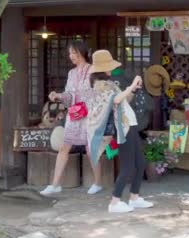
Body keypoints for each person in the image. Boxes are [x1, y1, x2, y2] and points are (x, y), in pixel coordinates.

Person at [85, 50, 154, 213]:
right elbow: (115, 100)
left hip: (129, 124)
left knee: (140, 163)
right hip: (123, 128)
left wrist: (133, 90)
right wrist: (130, 86)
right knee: (128, 166)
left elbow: (122, 100)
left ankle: (134, 198)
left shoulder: (110, 84)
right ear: (103, 69)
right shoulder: (101, 86)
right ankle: (115, 202)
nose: (111, 69)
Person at [40, 41, 102, 196]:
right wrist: (58, 96)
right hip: (74, 116)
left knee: (90, 149)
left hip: (90, 116)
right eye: (69, 53)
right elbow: (68, 96)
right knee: (64, 147)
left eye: (73, 52)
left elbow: (100, 93)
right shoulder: (71, 73)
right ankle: (55, 185)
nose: (71, 56)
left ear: (81, 52)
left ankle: (98, 183)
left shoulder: (93, 70)